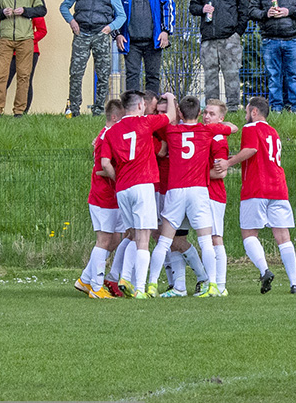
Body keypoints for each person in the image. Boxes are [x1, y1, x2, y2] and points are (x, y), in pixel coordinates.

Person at [146, 96, 237, 298]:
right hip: (198, 190)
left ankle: (152, 285)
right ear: (199, 113)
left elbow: (167, 121)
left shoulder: (171, 131)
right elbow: (233, 128)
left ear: (180, 113)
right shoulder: (207, 130)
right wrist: (223, 123)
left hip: (176, 190)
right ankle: (212, 284)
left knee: (164, 241)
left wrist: (170, 101)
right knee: (206, 240)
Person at [101, 90, 176, 299]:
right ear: (141, 106)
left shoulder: (112, 132)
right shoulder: (145, 123)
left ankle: (124, 277)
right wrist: (170, 98)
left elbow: (105, 163)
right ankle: (140, 289)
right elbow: (169, 118)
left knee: (132, 234)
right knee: (143, 238)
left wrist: (118, 179)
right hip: (142, 185)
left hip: (123, 188)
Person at [224, 96, 296, 294]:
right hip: (278, 188)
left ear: (254, 112)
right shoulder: (274, 132)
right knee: (283, 236)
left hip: (257, 186)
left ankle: (264, 270)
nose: (245, 115)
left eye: (246, 111)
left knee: (249, 233)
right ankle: (295, 284)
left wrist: (228, 163)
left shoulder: (250, 128)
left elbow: (251, 149)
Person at [60, 0, 127, 116]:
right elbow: (64, 6)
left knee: (103, 74)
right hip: (81, 34)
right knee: (76, 73)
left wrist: (110, 27)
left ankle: (98, 110)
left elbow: (121, 15)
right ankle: (74, 110)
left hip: (101, 36)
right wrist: (71, 21)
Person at [75, 99, 126, 299]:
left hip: (112, 198)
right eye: (122, 118)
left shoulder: (109, 136)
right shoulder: (106, 137)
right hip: (102, 197)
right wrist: (121, 177)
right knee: (104, 240)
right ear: (114, 117)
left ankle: (86, 279)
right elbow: (101, 169)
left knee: (115, 239)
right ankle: (96, 287)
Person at [189, 0, 249, 113]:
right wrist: (202, 9)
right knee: (210, 76)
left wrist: (237, 33)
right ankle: (212, 110)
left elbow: (244, 11)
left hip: (230, 38)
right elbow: (192, 7)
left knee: (231, 75)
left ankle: (233, 108)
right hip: (208, 39)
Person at [115, 0, 176, 94]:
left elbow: (169, 7)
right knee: (132, 76)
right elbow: (114, 12)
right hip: (130, 41)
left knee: (153, 76)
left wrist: (166, 31)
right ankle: (132, 109)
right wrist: (117, 34)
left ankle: (151, 109)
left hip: (153, 40)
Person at [202, 99, 234, 297]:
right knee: (204, 238)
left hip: (213, 194)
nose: (206, 116)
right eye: (205, 112)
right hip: (201, 193)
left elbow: (220, 172)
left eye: (212, 114)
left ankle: (220, 285)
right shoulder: (205, 134)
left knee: (215, 238)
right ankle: (209, 281)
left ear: (221, 119)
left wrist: (196, 176)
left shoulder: (219, 139)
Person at [0, 10, 47, 115]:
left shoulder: (32, 10)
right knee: (3, 79)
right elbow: (0, 28)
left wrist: (26, 41)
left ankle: (22, 113)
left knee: (26, 81)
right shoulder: (9, 10)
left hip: (30, 51)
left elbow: (42, 30)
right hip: (10, 52)